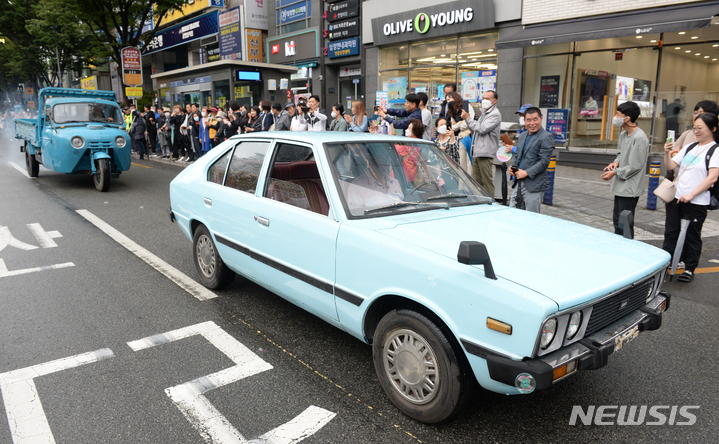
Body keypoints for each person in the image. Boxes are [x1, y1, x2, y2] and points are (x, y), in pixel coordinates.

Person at [661, 112, 719, 283]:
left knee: (692, 235)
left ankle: (689, 268)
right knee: (671, 233)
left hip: (697, 202)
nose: (696, 131)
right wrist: (667, 153)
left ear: (713, 128)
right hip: (676, 197)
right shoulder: (690, 147)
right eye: (694, 128)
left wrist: (691, 194)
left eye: (700, 128)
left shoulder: (715, 150)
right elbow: (672, 165)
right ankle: (665, 264)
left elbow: (712, 178)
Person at [601, 101, 649, 239]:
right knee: (617, 220)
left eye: (618, 114)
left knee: (625, 223)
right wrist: (615, 163)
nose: (615, 117)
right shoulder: (623, 135)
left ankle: (628, 251)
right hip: (621, 185)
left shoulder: (639, 138)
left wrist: (614, 173)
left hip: (630, 188)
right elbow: (621, 154)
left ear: (627, 118)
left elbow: (635, 166)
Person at [503, 107, 555, 213]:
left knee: (531, 218)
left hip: (534, 185)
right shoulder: (522, 135)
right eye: (528, 120)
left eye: (535, 119)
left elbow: (544, 162)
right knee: (513, 213)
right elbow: (517, 155)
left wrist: (526, 173)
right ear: (524, 121)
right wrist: (512, 166)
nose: (532, 123)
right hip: (519, 182)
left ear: (541, 119)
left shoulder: (546, 137)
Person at [667, 101, 719, 181]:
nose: (696, 116)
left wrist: (680, 156)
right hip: (679, 182)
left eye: (701, 113)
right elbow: (672, 153)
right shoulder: (687, 134)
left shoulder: (715, 143)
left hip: (702, 185)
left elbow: (712, 176)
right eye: (695, 113)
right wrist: (673, 154)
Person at [464, 90, 501, 197]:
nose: (484, 100)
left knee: (486, 182)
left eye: (487, 99)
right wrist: (468, 121)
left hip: (485, 152)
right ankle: (479, 202)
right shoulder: (484, 112)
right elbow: (475, 128)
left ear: (494, 101)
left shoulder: (495, 114)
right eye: (483, 98)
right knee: (477, 182)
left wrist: (468, 118)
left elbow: (481, 129)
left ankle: (489, 203)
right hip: (477, 151)